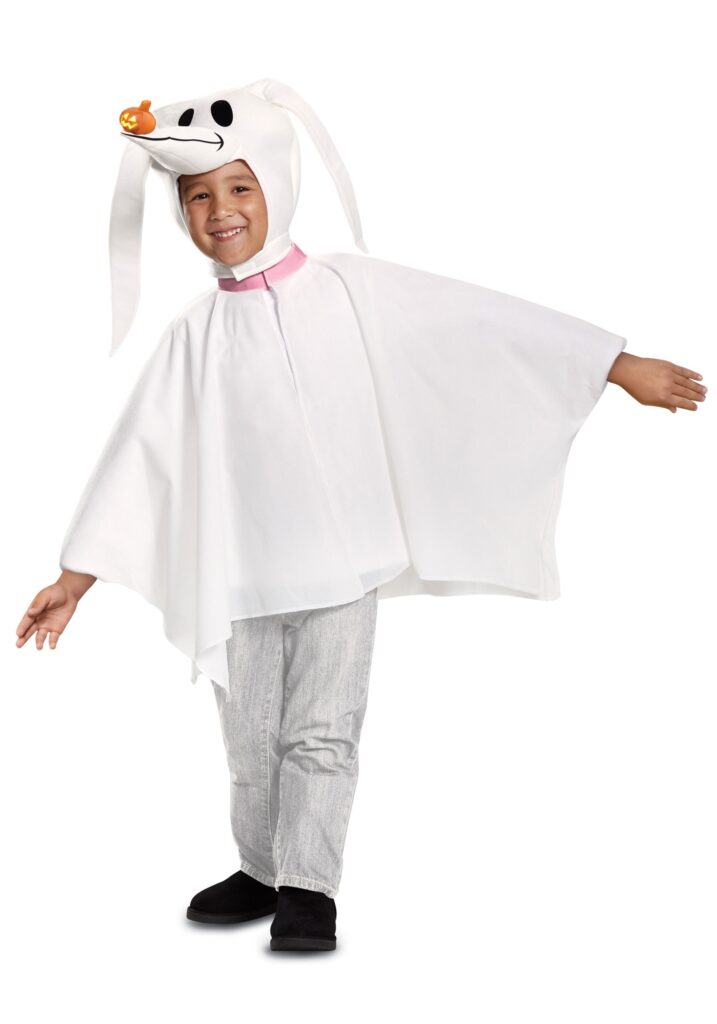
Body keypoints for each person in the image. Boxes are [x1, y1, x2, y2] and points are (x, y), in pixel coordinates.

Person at [15, 81, 708, 954]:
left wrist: (611, 362)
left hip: (345, 564)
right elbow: (138, 453)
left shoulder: (348, 288)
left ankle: (308, 886)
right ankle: (261, 867)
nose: (220, 211)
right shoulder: (193, 336)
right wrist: (76, 577)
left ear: (277, 182)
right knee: (248, 739)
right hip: (240, 572)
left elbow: (472, 322)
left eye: (239, 187)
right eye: (197, 196)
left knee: (322, 732)